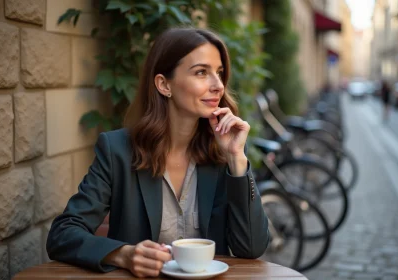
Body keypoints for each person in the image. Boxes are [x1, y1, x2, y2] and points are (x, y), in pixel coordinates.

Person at [46, 27, 269, 278]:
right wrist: (124, 255)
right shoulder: (118, 151)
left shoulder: (224, 152)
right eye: (201, 72)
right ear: (164, 84)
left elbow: (251, 247)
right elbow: (62, 234)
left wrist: (237, 160)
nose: (218, 85)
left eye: (219, 73)